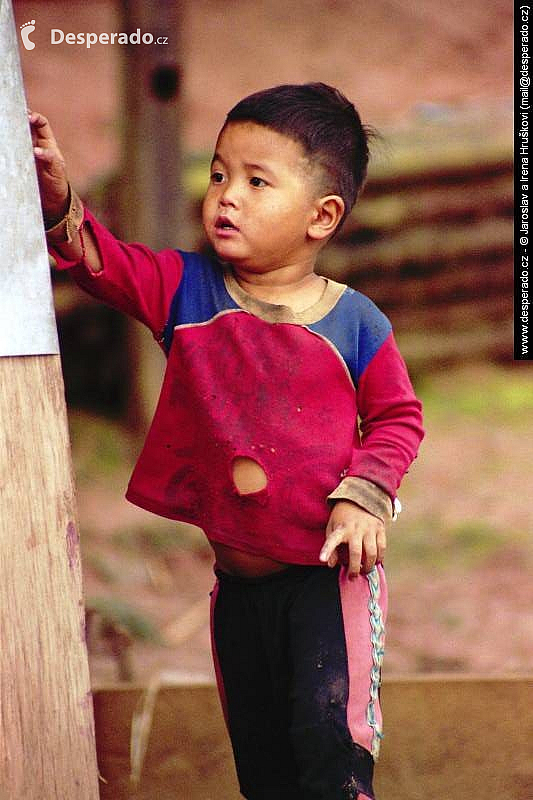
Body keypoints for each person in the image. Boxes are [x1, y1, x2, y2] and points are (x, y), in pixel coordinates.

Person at [31, 83, 424, 800]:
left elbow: (398, 418)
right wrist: (57, 201)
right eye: (217, 173)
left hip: (323, 585)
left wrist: (363, 497)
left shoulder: (354, 323)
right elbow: (101, 263)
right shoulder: (186, 292)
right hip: (237, 592)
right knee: (265, 775)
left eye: (255, 181)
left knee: (330, 758)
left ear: (321, 216)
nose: (226, 195)